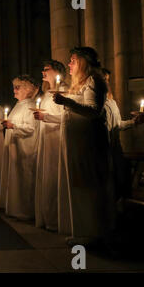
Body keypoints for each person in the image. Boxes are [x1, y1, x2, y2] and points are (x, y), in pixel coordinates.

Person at [53, 47, 114, 246]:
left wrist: (66, 102)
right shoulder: (81, 84)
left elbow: (94, 111)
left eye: (72, 60)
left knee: (90, 185)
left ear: (83, 62)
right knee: (79, 186)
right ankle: (83, 230)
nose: (69, 64)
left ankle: (95, 232)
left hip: (89, 144)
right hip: (77, 144)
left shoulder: (94, 80)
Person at [33, 60, 68, 231]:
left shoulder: (64, 92)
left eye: (46, 69)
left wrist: (46, 117)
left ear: (57, 72)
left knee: (55, 177)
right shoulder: (47, 94)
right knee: (46, 178)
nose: (43, 71)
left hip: (57, 140)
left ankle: (57, 219)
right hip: (46, 139)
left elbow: (66, 118)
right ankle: (47, 216)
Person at [0, 75, 39, 220]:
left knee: (24, 179)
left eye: (18, 87)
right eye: (14, 87)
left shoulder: (30, 106)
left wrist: (12, 126)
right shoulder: (19, 105)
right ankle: (15, 209)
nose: (14, 90)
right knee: (15, 178)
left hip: (25, 148)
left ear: (28, 90)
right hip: (14, 147)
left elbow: (31, 128)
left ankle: (25, 211)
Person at [102, 68, 144, 201]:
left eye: (107, 80)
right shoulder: (93, 102)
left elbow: (118, 125)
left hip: (116, 149)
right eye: (103, 79)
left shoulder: (111, 102)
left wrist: (134, 122)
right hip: (101, 149)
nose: (106, 83)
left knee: (119, 184)